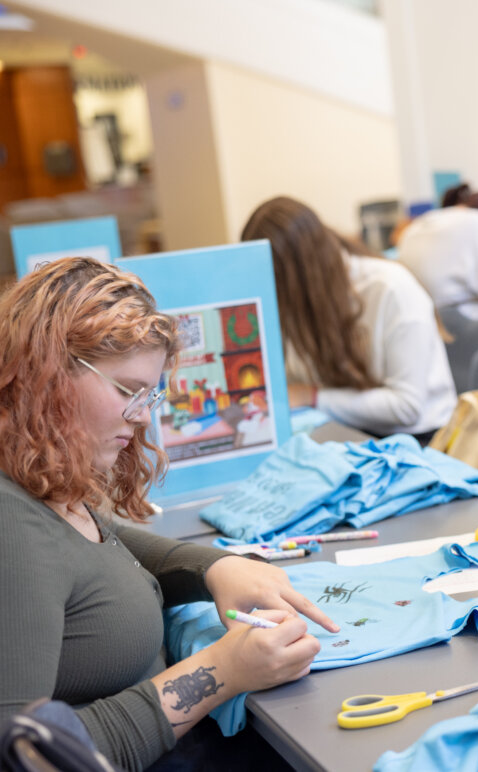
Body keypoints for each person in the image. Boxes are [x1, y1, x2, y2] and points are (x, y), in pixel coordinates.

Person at [0, 257, 340, 771]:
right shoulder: (10, 529)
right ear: (44, 374)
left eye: (149, 394)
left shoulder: (36, 486)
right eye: (126, 391)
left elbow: (86, 544)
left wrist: (212, 568)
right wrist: (222, 670)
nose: (141, 417)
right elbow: (24, 753)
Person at [242, 196, 456, 440]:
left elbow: (406, 407)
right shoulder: (310, 299)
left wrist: (311, 396)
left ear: (300, 276)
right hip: (353, 430)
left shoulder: (391, 289)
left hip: (418, 440)